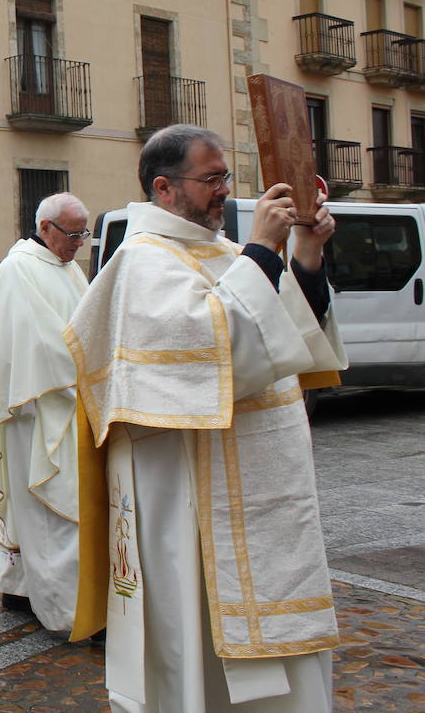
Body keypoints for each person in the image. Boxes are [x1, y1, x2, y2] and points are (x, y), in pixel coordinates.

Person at [65, 125, 346, 712]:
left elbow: (289, 336)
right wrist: (265, 252)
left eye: (225, 176)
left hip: (260, 485)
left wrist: (306, 255)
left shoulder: (221, 253)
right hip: (188, 495)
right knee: (201, 637)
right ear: (164, 189)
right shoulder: (140, 263)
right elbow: (217, 350)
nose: (224, 191)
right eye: (211, 178)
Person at [0, 192, 90, 632]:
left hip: (67, 406)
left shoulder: (69, 267)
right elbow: (39, 345)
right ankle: (66, 609)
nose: (80, 242)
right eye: (72, 233)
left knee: (44, 511)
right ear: (45, 228)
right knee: (50, 513)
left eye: (84, 233)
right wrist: (90, 365)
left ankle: (20, 588)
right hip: (37, 409)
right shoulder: (18, 269)